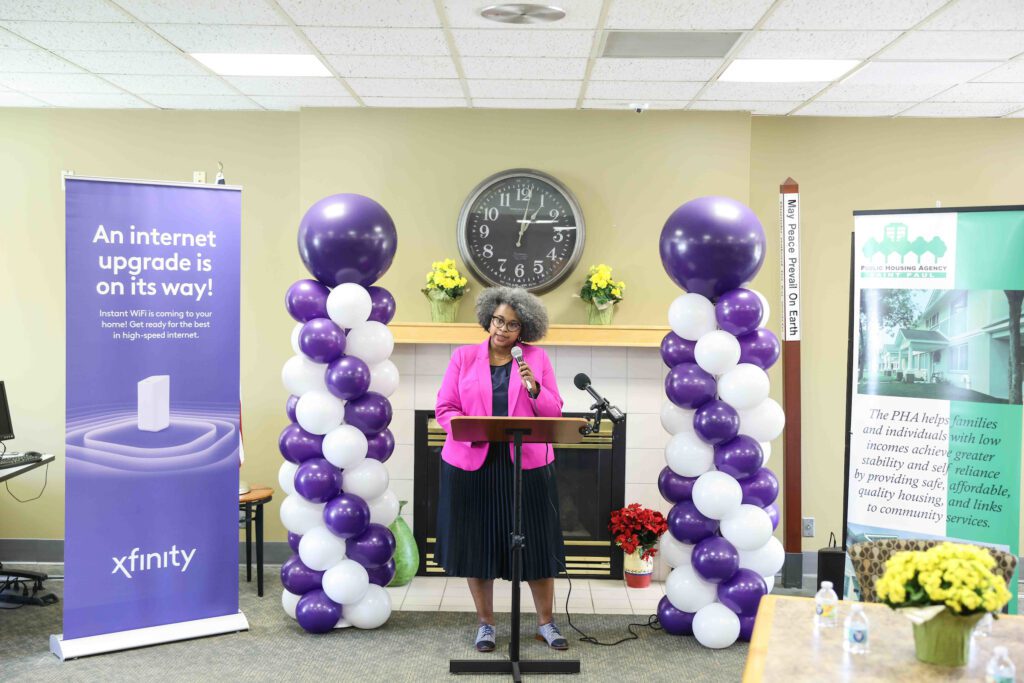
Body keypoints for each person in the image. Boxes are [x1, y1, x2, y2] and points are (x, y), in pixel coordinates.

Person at [434, 286, 568, 653]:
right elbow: (445, 408)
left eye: (512, 325)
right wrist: (466, 428)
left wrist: (534, 388)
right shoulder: (463, 357)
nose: (502, 330)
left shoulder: (537, 360)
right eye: (498, 320)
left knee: (535, 545)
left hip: (525, 464)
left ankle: (546, 623)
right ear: (488, 318)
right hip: (472, 463)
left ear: (523, 331)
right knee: (479, 545)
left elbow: (554, 413)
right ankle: (486, 625)